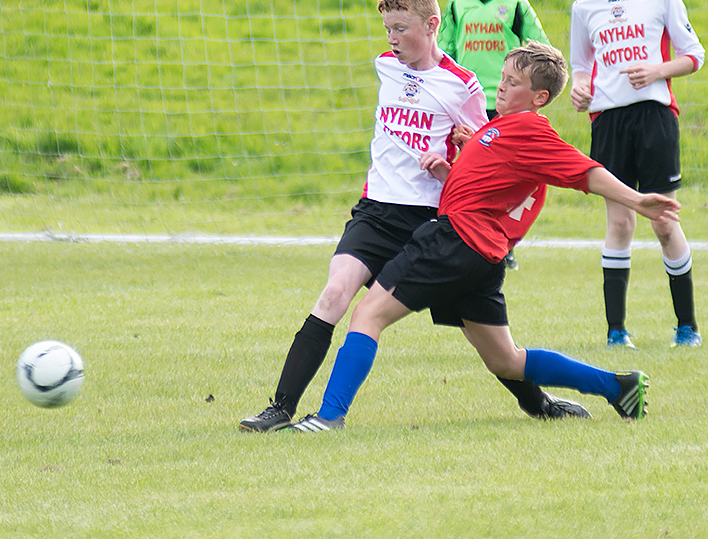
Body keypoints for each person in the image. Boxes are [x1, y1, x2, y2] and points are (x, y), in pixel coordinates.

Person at [240, 0, 586, 434]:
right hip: (375, 211)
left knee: (482, 333)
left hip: (430, 223)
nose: (392, 38)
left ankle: (537, 402)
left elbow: (487, 156)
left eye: (401, 28)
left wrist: (453, 157)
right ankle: (281, 408)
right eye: (387, 29)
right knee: (334, 295)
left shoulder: (462, 87)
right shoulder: (385, 66)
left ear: (432, 26)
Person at [291, 42, 679, 433]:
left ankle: (328, 417)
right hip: (480, 256)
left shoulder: (530, 129)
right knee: (506, 361)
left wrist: (637, 201)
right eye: (504, 78)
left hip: (453, 242)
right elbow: (492, 187)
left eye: (514, 83)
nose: (503, 87)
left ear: (539, 97)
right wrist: (450, 173)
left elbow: (585, 172)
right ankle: (618, 386)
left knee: (367, 315)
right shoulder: (500, 127)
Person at [569, 0, 705, 349]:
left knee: (664, 221)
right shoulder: (583, 7)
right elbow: (580, 66)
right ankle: (616, 332)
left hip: (654, 117)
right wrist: (580, 87)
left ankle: (687, 327)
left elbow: (694, 55)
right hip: (608, 123)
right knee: (620, 221)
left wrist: (657, 70)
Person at [437, 0, 551, 271]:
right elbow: (444, 53)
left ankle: (503, 240)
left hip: (507, 104)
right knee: (466, 172)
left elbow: (539, 48)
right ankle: (458, 234)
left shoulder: (515, 4)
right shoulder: (458, 5)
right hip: (468, 104)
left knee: (504, 176)